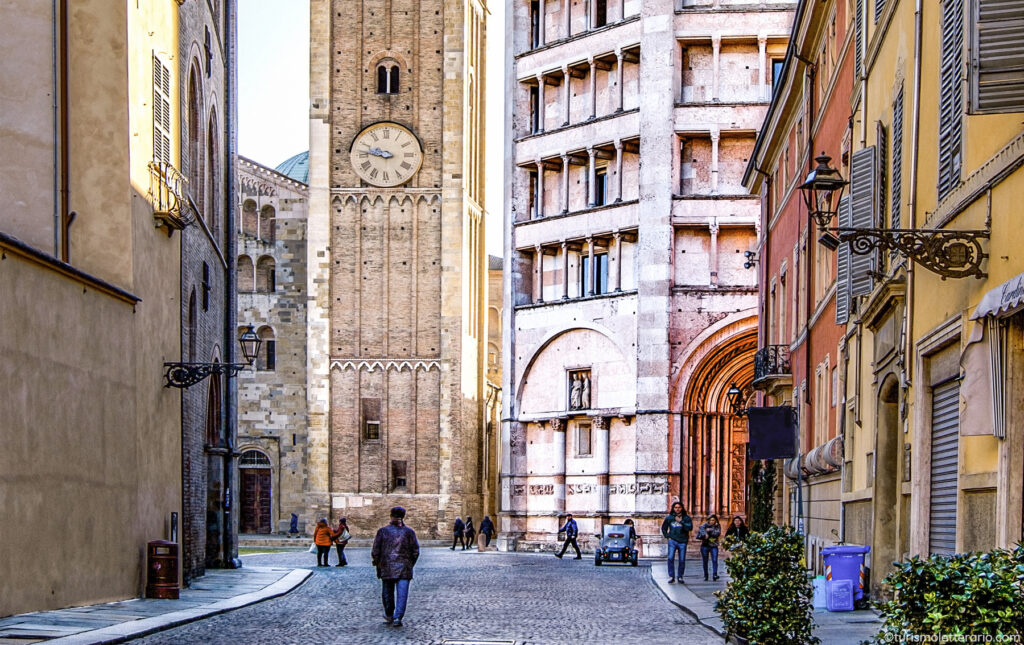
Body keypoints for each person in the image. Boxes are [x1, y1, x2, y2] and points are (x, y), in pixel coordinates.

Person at [371, 506, 420, 627]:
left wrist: (377, 563)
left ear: (391, 515)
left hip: (386, 566)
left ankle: (389, 614)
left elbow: (376, 550)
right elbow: (415, 551)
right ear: (403, 516)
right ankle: (398, 617)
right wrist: (409, 564)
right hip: (404, 567)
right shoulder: (409, 532)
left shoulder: (383, 531)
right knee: (402, 594)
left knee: (387, 592)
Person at [660, 502, 692, 583]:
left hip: (682, 541)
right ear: (673, 508)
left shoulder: (686, 518)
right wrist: (667, 536)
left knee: (682, 560)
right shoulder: (669, 518)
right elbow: (664, 528)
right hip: (672, 540)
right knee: (670, 558)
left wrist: (681, 522)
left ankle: (680, 576)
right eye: (676, 507)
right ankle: (671, 576)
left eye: (679, 507)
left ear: (682, 508)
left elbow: (689, 527)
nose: (677, 509)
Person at [697, 514, 722, 581]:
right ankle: (706, 575)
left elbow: (717, 533)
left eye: (713, 520)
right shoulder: (704, 525)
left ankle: (715, 574)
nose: (712, 521)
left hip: (714, 545)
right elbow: (701, 531)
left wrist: (710, 530)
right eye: (710, 520)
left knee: (714, 560)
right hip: (705, 545)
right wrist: (705, 533)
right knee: (705, 561)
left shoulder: (717, 526)